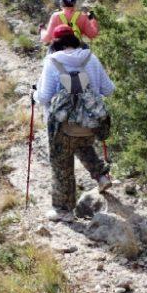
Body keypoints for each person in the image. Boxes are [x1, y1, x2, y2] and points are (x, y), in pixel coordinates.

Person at [36, 24, 115, 222]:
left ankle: (64, 210)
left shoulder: (52, 61)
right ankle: (102, 177)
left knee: (61, 166)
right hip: (89, 123)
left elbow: (44, 96)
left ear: (55, 43)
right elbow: (108, 89)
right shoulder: (91, 58)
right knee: (84, 146)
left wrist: (33, 94)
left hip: (61, 127)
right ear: (75, 40)